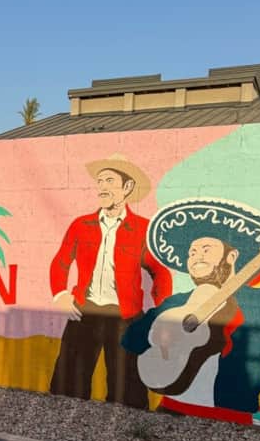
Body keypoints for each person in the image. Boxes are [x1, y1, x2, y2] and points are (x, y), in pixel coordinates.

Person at [122, 198, 260, 423]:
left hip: (229, 421)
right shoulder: (176, 303)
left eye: (206, 249)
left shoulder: (254, 302)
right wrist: (161, 327)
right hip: (170, 410)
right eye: (192, 252)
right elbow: (132, 340)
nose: (196, 256)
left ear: (231, 257)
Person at [48, 154, 172, 408]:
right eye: (100, 181)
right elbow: (61, 261)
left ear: (127, 188)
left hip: (125, 315)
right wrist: (60, 294)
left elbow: (160, 272)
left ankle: (127, 433)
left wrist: (162, 312)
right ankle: (64, 425)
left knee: (127, 389)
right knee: (68, 384)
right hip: (84, 310)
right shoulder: (81, 225)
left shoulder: (141, 228)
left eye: (110, 181)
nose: (102, 187)